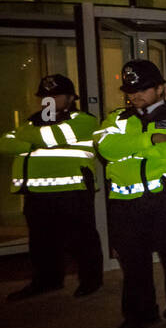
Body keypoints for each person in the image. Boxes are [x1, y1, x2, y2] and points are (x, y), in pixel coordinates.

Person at [94, 60, 166, 328]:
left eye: (142, 88)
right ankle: (140, 316)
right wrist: (151, 141)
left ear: (160, 88)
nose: (135, 95)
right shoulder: (116, 118)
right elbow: (105, 148)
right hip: (126, 203)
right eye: (130, 90)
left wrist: (133, 148)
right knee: (133, 263)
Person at [1, 73, 102, 301]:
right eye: (45, 97)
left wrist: (29, 137)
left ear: (70, 97)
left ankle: (91, 280)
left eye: (56, 96)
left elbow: (48, 138)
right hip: (36, 193)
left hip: (72, 190)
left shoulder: (83, 120)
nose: (50, 101)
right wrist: (34, 136)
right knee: (41, 242)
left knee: (81, 239)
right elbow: (5, 143)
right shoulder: (32, 121)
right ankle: (47, 281)